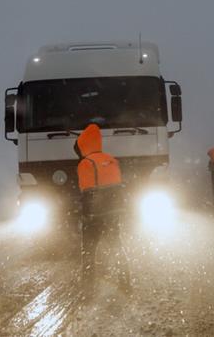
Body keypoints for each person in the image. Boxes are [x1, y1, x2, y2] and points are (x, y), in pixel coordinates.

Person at [74, 123, 131, 297]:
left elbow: (86, 192)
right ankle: (125, 282)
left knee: (89, 250)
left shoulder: (85, 163)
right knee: (116, 245)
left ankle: (88, 289)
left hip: (94, 215)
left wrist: (83, 215)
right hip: (113, 212)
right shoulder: (111, 159)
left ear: (84, 145)